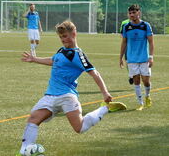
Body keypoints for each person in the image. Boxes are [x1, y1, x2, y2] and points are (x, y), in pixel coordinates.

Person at [17, 21, 126, 156]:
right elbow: (53, 60)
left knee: (79, 128)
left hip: (67, 97)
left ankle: (105, 108)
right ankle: (24, 151)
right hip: (50, 96)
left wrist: (105, 93)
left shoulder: (78, 55)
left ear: (74, 34)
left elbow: (94, 73)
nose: (63, 40)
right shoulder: (62, 51)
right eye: (61, 37)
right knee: (33, 119)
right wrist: (34, 59)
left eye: (66, 36)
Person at [119, 4, 154, 111]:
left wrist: (151, 56)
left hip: (144, 58)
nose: (132, 15)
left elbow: (151, 42)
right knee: (136, 80)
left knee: (146, 81)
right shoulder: (126, 27)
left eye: (134, 12)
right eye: (130, 13)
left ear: (139, 13)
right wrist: (120, 57)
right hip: (132, 59)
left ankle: (147, 96)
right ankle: (140, 103)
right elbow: (124, 42)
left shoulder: (145, 25)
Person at [120, 18, 134, 85]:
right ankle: (131, 76)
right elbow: (122, 34)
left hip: (138, 45)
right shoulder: (124, 23)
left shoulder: (140, 23)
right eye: (129, 12)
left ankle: (135, 75)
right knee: (128, 61)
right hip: (128, 45)